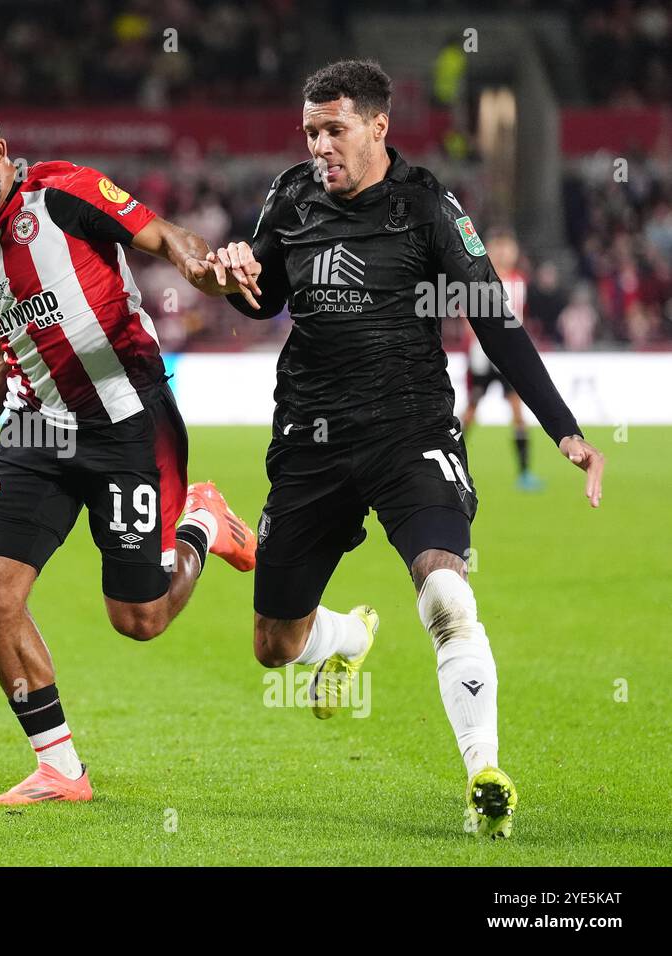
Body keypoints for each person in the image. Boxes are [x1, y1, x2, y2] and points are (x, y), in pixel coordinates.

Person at [213, 60, 605, 838]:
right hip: (312, 437)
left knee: (445, 590)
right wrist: (235, 280)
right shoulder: (290, 196)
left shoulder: (425, 205)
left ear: (378, 126)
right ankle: (348, 636)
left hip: (410, 429)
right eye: (311, 131)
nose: (320, 145)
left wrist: (564, 427)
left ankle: (483, 772)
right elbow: (265, 300)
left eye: (336, 129)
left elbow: (493, 317)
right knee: (273, 645)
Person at [0, 99, 257, 805]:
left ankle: (202, 523)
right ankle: (59, 767)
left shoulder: (65, 194)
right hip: (38, 427)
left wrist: (208, 272)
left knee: (139, 619)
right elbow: (5, 359)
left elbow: (166, 237)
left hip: (127, 421)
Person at [461, 232, 543, 491]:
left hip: (506, 356)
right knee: (471, 411)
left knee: (518, 412)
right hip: (482, 355)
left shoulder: (519, 281)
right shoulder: (479, 279)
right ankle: (454, 461)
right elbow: (467, 318)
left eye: (509, 250)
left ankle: (525, 473)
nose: (506, 254)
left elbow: (518, 319)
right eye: (500, 249)